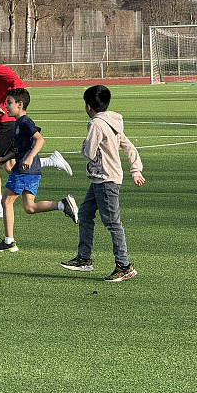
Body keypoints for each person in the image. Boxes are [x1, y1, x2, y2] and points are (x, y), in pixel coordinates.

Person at [0, 38, 73, 218]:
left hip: (6, 123)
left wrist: (4, 105)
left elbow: (19, 84)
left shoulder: (0, 70)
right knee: (11, 166)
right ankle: (50, 161)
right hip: (2, 124)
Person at [60, 85, 145, 281]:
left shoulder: (96, 124)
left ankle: (124, 265)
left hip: (106, 179)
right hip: (102, 178)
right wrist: (135, 170)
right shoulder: (113, 122)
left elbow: (89, 153)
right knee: (85, 213)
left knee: (113, 222)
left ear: (88, 106)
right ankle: (84, 258)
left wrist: (84, 146)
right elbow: (129, 147)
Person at [0, 88, 79, 253]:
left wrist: (30, 157)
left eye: (9, 103)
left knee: (6, 201)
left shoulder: (25, 122)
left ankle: (9, 242)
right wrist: (6, 158)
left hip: (24, 170)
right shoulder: (19, 123)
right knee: (29, 207)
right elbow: (20, 149)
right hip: (32, 170)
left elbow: (40, 139)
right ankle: (62, 205)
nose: (6, 106)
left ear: (20, 104)